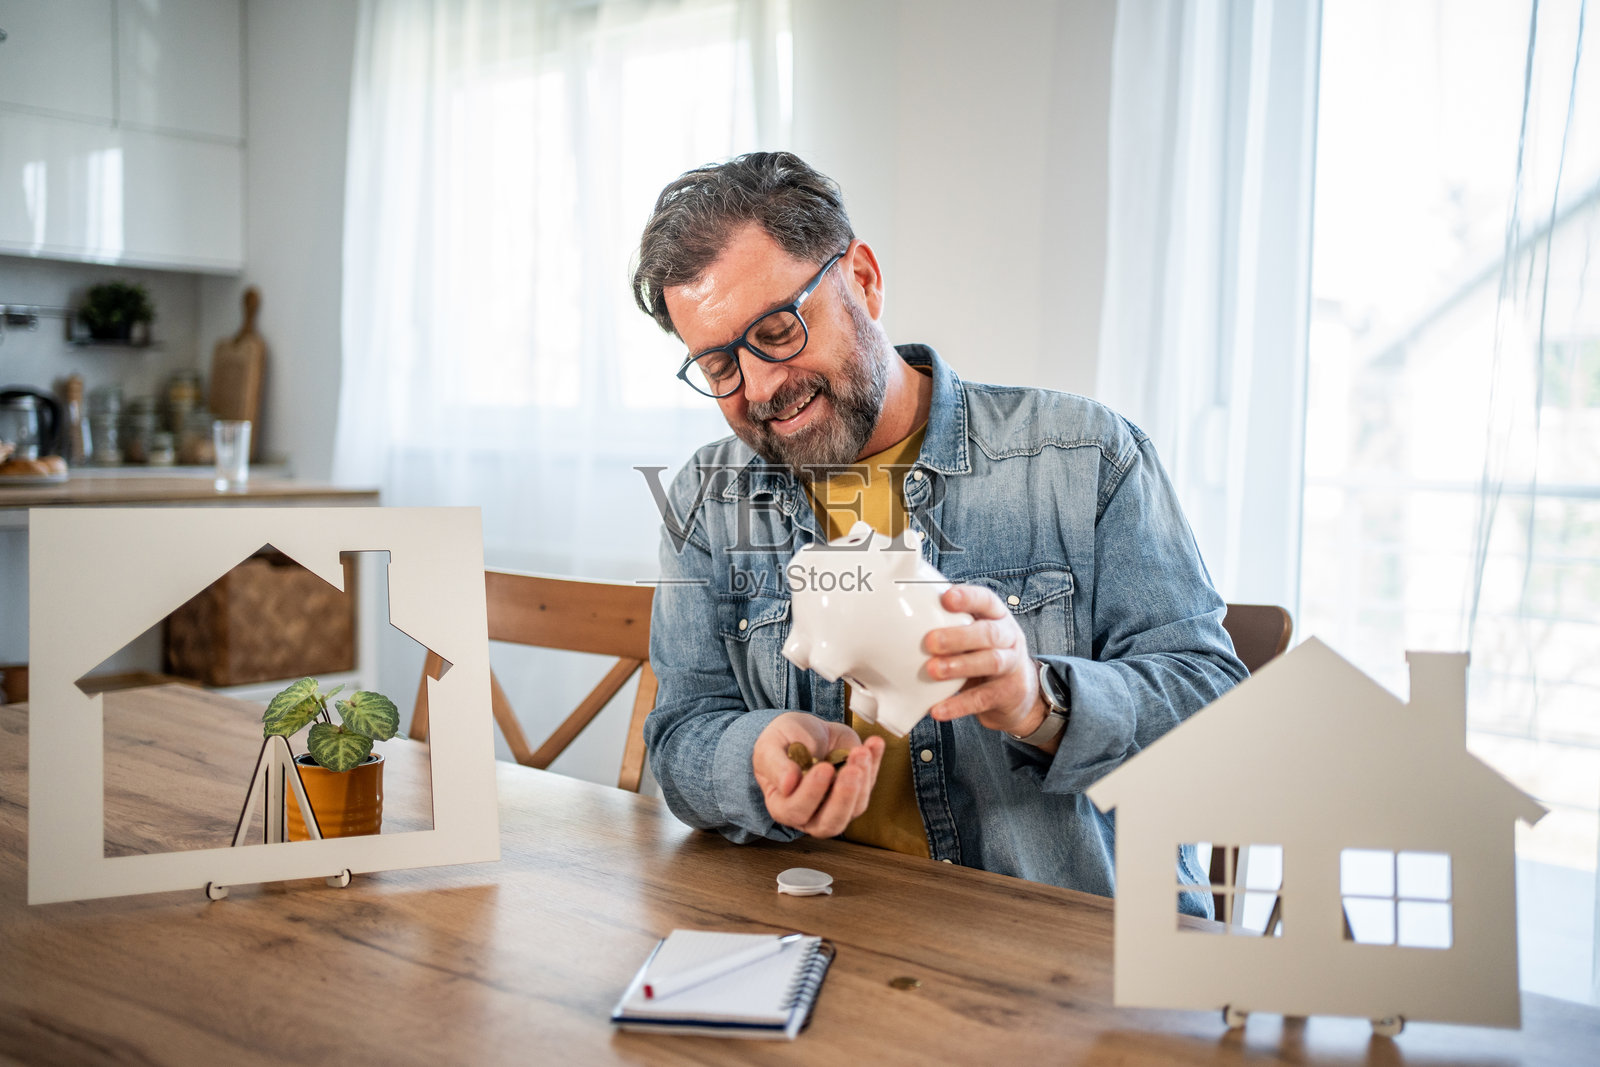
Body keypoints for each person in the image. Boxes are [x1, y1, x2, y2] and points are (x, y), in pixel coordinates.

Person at [631, 151, 1246, 912]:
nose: (758, 387)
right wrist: (749, 760)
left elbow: (1216, 715)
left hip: (1066, 951)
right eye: (719, 365)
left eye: (779, 330)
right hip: (824, 930)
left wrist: (1039, 703)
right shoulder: (706, 497)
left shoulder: (1085, 457)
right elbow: (683, 733)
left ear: (862, 278)